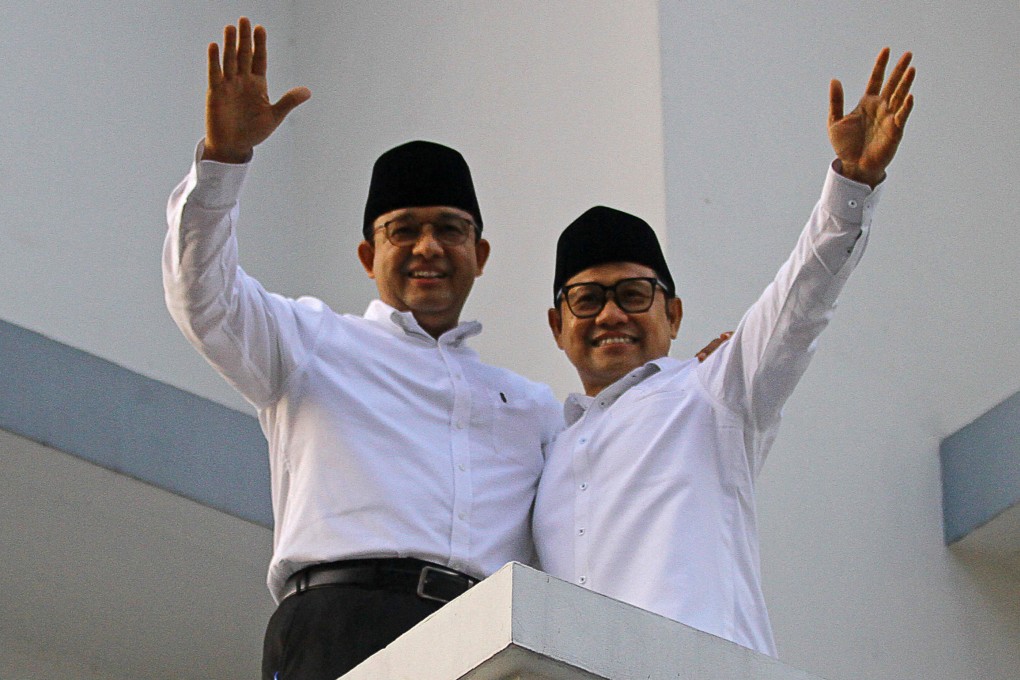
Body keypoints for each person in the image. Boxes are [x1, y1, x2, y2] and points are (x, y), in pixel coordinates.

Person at [162, 18, 565, 680]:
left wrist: (679, 377)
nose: (428, 247)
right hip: (340, 627)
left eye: (450, 229)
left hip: (487, 648)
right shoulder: (312, 343)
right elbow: (202, 300)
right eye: (402, 230)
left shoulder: (531, 406)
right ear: (367, 255)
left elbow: (602, 488)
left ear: (480, 254)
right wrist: (224, 161)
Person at [533, 48, 915, 657]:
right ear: (558, 325)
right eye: (587, 299)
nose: (610, 314)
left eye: (633, 294)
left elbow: (799, 305)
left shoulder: (712, 393)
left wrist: (852, 184)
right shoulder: (544, 453)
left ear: (674, 314)